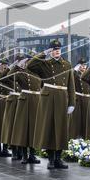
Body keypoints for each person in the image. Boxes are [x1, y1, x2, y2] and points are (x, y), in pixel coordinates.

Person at [28, 39, 75, 169]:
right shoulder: (44, 63)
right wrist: (43, 53)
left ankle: (58, 158)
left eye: (58, 49)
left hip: (62, 98)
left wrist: (72, 102)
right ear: (50, 51)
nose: (56, 51)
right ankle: (50, 159)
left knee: (61, 129)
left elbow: (71, 85)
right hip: (48, 98)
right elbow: (30, 66)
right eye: (54, 49)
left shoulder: (67, 64)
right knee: (48, 129)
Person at [10, 53, 42, 164]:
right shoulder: (19, 73)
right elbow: (9, 77)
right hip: (24, 102)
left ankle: (32, 155)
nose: (27, 63)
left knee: (34, 129)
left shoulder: (37, 73)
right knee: (23, 130)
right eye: (25, 61)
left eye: (29, 61)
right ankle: (24, 155)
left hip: (36, 101)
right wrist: (16, 65)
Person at [70, 58, 90, 139]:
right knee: (77, 120)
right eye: (81, 65)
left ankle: (86, 138)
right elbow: (70, 75)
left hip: (87, 99)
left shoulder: (88, 75)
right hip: (78, 99)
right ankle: (74, 138)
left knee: (86, 120)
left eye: (85, 65)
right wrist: (75, 69)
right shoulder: (75, 74)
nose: (83, 67)